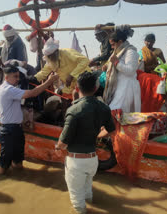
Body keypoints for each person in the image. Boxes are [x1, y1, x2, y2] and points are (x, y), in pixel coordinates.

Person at [55, 72, 115, 214]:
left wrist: (58, 148)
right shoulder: (104, 108)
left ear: (77, 87)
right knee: (87, 192)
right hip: (93, 160)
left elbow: (63, 142)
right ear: (95, 88)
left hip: (76, 162)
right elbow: (112, 131)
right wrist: (96, 135)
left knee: (77, 202)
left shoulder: (74, 110)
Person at [0, 65, 59, 175]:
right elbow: (33, 93)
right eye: (15, 77)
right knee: (3, 166)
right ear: (6, 78)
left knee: (18, 163)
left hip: (14, 129)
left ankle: (20, 180)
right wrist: (49, 81)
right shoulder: (9, 90)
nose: (17, 79)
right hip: (9, 131)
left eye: (18, 76)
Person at [103, 26, 141, 113]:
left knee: (119, 112)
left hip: (127, 87)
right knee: (115, 112)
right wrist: (107, 66)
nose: (112, 47)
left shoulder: (131, 51)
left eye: (113, 44)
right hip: (118, 87)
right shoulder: (118, 52)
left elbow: (131, 70)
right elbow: (112, 64)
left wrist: (116, 63)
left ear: (120, 42)